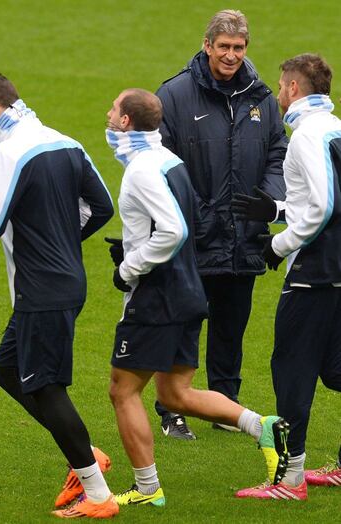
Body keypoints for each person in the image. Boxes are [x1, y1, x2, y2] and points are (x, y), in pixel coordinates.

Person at [0, 72, 119, 519]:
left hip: (42, 289)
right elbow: (102, 207)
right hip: (63, 283)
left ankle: (97, 495)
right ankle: (84, 452)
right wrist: (61, 241)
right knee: (8, 369)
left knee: (46, 387)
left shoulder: (8, 152)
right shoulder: (64, 141)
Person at [105, 87, 289, 507]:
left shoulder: (141, 170)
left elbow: (173, 230)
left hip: (158, 297)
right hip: (189, 288)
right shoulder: (170, 161)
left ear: (126, 122)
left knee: (123, 390)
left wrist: (128, 267)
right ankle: (262, 425)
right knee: (174, 395)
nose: (109, 115)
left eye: (114, 110)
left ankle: (147, 489)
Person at [154, 9, 288, 437]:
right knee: (183, 322)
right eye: (224, 47)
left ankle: (224, 407)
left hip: (243, 234)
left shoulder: (260, 96)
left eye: (239, 47)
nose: (231, 55)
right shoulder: (174, 96)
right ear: (207, 45)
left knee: (232, 323)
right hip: (192, 235)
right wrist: (195, 209)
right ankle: (172, 409)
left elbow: (277, 152)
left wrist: (265, 198)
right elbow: (160, 161)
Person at [232, 54, 341, 499]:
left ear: (294, 88)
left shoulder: (305, 136)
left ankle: (290, 479)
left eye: (281, 86)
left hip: (314, 274)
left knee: (292, 369)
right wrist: (277, 210)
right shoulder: (335, 128)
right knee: (336, 370)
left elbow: (321, 207)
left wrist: (278, 246)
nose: (277, 93)